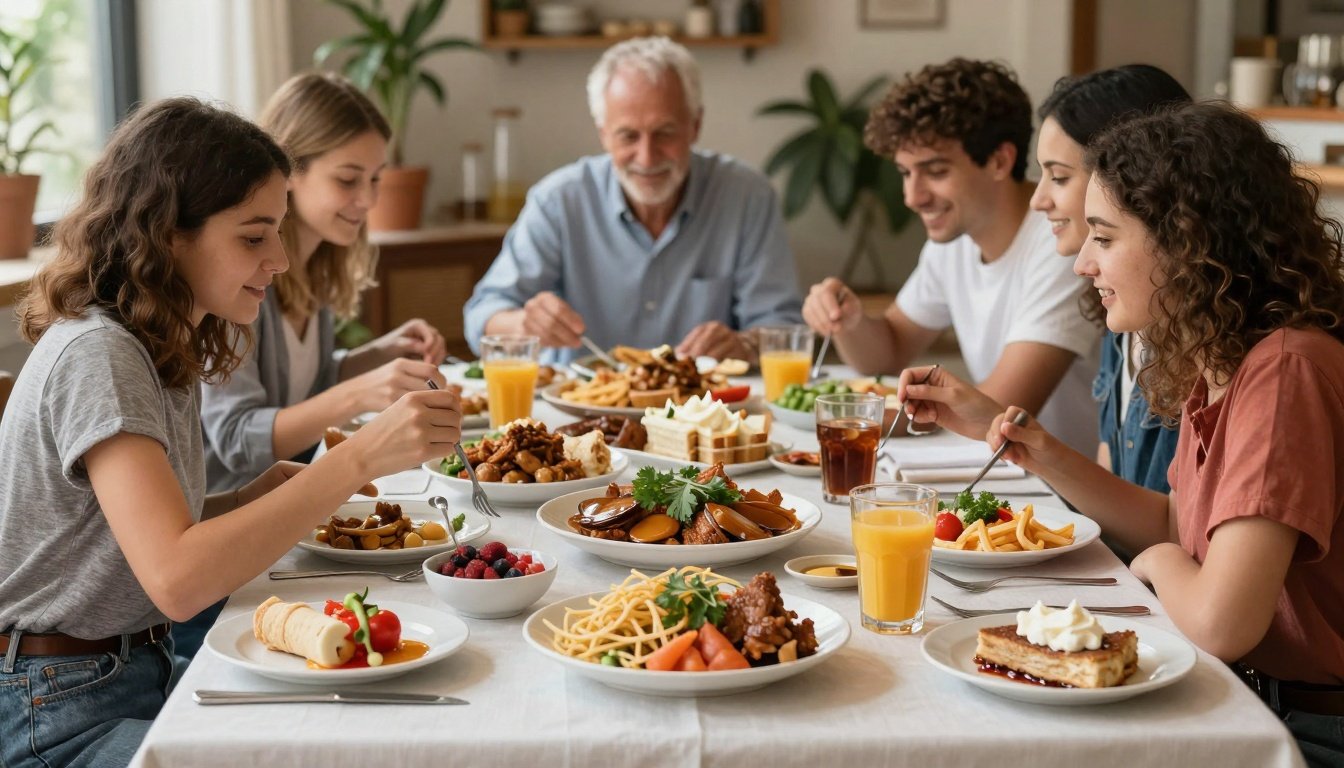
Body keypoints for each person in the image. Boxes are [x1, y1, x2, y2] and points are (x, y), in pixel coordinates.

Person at [0, 98, 461, 768]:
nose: (278, 258)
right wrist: (359, 457)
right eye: (253, 236)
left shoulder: (159, 341)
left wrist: (245, 501)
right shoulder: (100, 355)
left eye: (277, 231)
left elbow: (131, 534)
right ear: (167, 236)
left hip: (120, 676)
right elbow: (178, 579)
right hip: (56, 712)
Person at [986, 102, 1344, 766]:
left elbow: (1220, 622)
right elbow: (1180, 519)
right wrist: (1048, 457)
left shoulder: (1286, 370)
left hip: (1306, 731)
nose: (1082, 266)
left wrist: (1159, 566)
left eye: (1105, 236)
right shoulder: (1220, 358)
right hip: (1250, 698)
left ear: (1187, 240)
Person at [899, 65, 1189, 494]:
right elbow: (1125, 502)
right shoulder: (1120, 313)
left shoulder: (1222, 349)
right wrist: (1016, 434)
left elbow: (1175, 533)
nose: (1038, 199)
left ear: (1138, 175)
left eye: (1058, 176)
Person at [801, 58, 1101, 455]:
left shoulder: (1060, 243)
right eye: (906, 173)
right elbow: (887, 352)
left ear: (999, 160)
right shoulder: (954, 241)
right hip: (1005, 471)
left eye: (935, 171)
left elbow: (999, 412)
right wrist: (849, 320)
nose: (912, 196)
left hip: (1064, 498)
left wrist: (840, 412)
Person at [462, 36, 803, 364]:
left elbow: (783, 327)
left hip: (706, 412)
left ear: (695, 126)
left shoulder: (747, 197)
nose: (647, 156)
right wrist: (524, 324)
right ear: (603, 134)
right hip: (575, 413)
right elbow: (481, 316)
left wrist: (743, 344)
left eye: (665, 133)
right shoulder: (558, 201)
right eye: (628, 135)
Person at [201, 72, 448, 495]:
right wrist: (358, 393)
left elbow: (303, 389)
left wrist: (378, 356)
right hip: (231, 512)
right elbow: (239, 441)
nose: (369, 200)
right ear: (288, 169)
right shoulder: (241, 280)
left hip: (292, 501)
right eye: (348, 179)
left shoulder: (317, 267)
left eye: (374, 179)